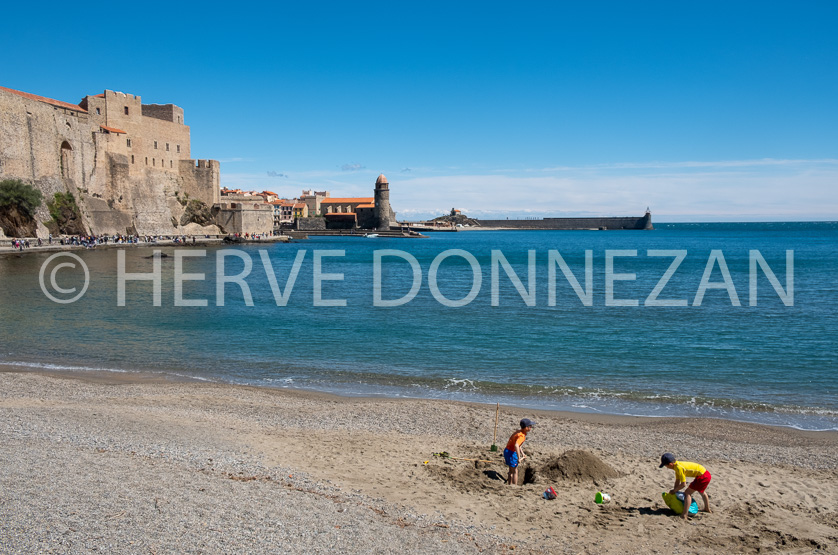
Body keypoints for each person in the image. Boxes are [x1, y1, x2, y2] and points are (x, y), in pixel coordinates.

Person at [660, 453, 712, 519]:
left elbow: (683, 484)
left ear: (670, 464)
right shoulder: (677, 466)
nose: (666, 467)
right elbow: (677, 481)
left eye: (666, 466)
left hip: (703, 477)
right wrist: (675, 492)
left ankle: (684, 514)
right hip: (706, 474)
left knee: (687, 493)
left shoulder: (679, 468)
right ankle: (707, 508)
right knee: (701, 491)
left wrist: (674, 490)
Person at [504, 418, 535, 485]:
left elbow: (518, 445)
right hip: (511, 453)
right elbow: (516, 445)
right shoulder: (521, 436)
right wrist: (518, 457)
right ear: (526, 427)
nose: (531, 427)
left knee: (511, 470)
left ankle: (510, 484)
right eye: (530, 426)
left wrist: (522, 453)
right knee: (515, 471)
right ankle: (514, 485)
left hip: (507, 451)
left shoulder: (518, 432)